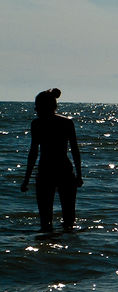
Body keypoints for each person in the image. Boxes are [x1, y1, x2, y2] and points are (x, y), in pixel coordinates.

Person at [20, 88, 83, 232]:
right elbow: (75, 151)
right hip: (63, 171)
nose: (36, 110)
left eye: (37, 107)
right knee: (68, 219)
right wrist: (79, 175)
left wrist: (26, 179)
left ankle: (47, 246)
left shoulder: (37, 124)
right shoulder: (66, 123)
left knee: (46, 220)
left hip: (46, 172)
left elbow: (34, 153)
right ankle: (67, 249)